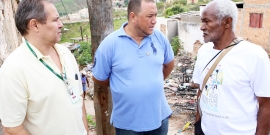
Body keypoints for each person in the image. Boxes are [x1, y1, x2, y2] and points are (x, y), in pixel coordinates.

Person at [0, 0, 88, 135]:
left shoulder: (66, 54)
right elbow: (13, 129)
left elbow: (79, 101)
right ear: (35, 25)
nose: (61, 24)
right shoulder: (14, 69)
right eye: (55, 20)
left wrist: (85, 131)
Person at [92, 0, 174, 134]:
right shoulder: (110, 45)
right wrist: (122, 87)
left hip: (159, 117)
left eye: (155, 15)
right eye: (149, 16)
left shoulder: (159, 38)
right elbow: (99, 78)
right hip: (127, 124)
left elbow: (169, 64)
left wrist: (153, 83)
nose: (154, 21)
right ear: (133, 17)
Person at [192, 0, 270, 134]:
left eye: (207, 21)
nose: (202, 27)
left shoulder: (254, 55)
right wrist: (198, 127)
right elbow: (201, 92)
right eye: (201, 21)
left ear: (227, 22)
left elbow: (266, 105)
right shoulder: (203, 51)